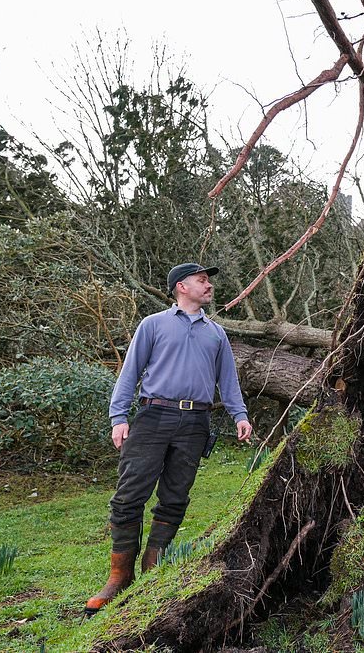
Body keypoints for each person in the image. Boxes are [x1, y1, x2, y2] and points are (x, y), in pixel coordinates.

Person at [85, 262, 253, 616]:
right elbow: (129, 371)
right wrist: (118, 417)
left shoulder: (216, 333)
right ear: (181, 286)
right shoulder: (153, 325)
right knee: (129, 497)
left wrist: (240, 415)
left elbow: (229, 379)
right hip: (153, 416)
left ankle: (151, 570)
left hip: (196, 421)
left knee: (175, 498)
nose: (208, 286)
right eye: (201, 281)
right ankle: (119, 578)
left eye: (208, 282)